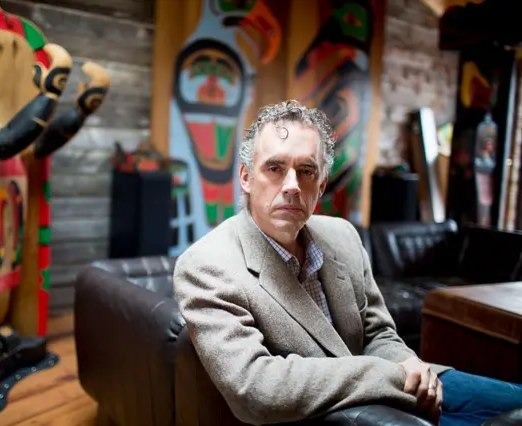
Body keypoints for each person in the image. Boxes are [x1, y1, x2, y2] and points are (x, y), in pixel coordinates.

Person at [173, 100, 522, 426]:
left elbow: (378, 332)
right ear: (246, 178)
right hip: (333, 413)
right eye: (275, 168)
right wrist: (392, 376)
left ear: (322, 184)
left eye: (306, 170)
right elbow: (257, 390)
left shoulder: (342, 236)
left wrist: (409, 364)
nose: (292, 186)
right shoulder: (208, 266)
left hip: (398, 385)